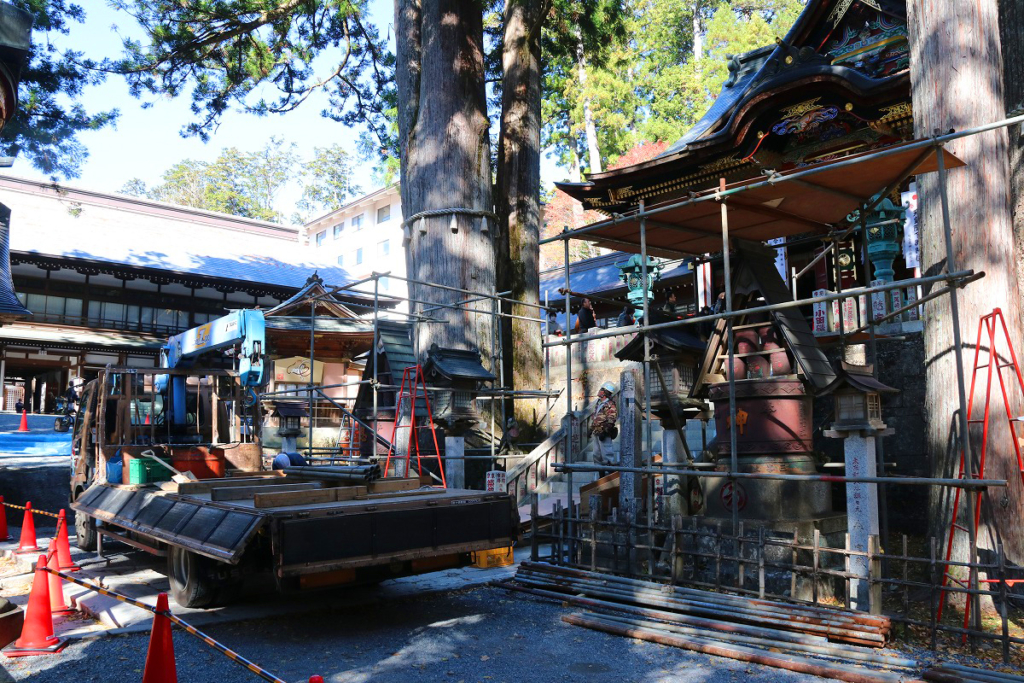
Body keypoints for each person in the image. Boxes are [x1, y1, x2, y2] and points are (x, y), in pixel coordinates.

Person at [589, 381, 619, 474]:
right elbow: (595, 418)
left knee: (607, 455)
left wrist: (605, 431)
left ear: (605, 393)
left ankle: (610, 475)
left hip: (604, 433)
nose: (599, 391)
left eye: (602, 390)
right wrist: (590, 429)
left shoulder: (610, 404)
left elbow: (611, 419)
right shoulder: (599, 403)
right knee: (596, 455)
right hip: (596, 432)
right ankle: (600, 474)